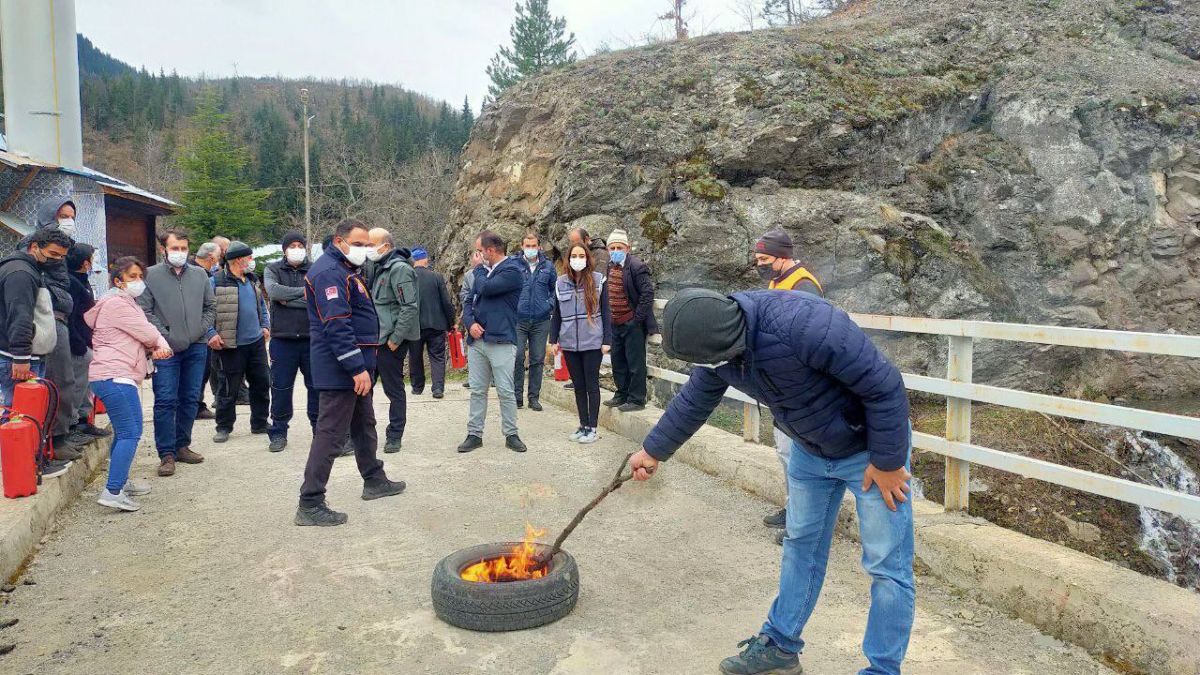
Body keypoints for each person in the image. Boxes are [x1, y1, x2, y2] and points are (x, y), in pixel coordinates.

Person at [628, 289, 914, 675]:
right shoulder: (719, 346)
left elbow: (885, 385)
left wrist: (889, 461)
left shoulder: (805, 324)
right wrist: (653, 451)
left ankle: (882, 669)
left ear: (728, 339)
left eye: (712, 360)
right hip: (810, 451)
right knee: (801, 547)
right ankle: (779, 646)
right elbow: (696, 397)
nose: (711, 367)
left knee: (886, 565)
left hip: (870, 453)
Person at [297, 218, 406, 526]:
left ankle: (374, 479)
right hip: (341, 368)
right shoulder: (330, 273)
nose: (364, 250)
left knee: (363, 424)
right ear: (339, 241)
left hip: (356, 366)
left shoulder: (346, 270)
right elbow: (337, 324)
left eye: (368, 245)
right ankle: (310, 501)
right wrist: (356, 367)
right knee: (331, 434)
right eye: (358, 244)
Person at [753, 229, 826, 544]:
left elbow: (809, 336)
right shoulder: (777, 280)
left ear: (782, 256)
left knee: (798, 455)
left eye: (764, 259)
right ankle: (793, 508)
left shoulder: (804, 285)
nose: (760, 265)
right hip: (782, 384)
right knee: (785, 452)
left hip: (801, 387)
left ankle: (805, 522)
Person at [85, 257, 173, 512]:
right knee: (130, 433)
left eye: (140, 276)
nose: (138, 282)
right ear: (117, 281)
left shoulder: (123, 302)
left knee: (127, 431)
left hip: (116, 375)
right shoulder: (117, 304)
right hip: (115, 375)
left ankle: (120, 482)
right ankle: (113, 491)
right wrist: (161, 344)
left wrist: (153, 346)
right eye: (132, 276)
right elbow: (145, 331)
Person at [140, 228, 216, 477]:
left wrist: (199, 331)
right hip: (164, 349)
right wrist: (165, 337)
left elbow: (210, 307)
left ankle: (182, 445)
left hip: (196, 346)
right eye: (175, 248)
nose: (180, 253)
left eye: (184, 248)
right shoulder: (149, 276)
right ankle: (166, 454)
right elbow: (146, 312)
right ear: (164, 249)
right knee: (165, 400)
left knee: (190, 397)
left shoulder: (200, 275)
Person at [0, 228, 73, 478]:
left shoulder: (31, 270)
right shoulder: (20, 273)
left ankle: (30, 463)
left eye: (62, 256)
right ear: (34, 247)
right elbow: (19, 316)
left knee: (28, 412)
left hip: (25, 354)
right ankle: (21, 466)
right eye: (52, 254)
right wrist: (20, 357)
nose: (57, 260)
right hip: (16, 357)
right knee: (19, 413)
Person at [29, 198, 90, 454]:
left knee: (67, 378)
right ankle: (56, 438)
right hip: (49, 320)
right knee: (57, 380)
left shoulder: (64, 248)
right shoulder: (36, 246)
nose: (68, 221)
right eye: (62, 215)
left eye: (71, 216)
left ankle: (66, 431)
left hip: (62, 320)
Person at [458, 230, 527, 453]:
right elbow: (468, 301)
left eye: (479, 251)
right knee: (478, 390)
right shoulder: (480, 274)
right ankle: (474, 434)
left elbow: (486, 288)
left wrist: (478, 270)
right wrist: (470, 324)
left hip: (501, 340)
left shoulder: (512, 271)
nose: (476, 256)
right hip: (478, 341)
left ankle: (511, 433)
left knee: (505, 390)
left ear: (490, 251)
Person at [208, 241, 271, 443]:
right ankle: (224, 426)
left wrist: (265, 325)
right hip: (230, 344)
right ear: (237, 260)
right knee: (228, 388)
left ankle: (260, 422)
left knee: (261, 383)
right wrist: (210, 333)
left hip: (256, 343)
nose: (251, 262)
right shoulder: (216, 281)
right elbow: (206, 310)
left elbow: (261, 306)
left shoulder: (251, 280)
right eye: (249, 258)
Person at [549, 245, 611, 444]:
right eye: (574, 256)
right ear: (568, 259)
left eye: (581, 256)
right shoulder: (560, 283)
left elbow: (607, 313)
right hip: (569, 343)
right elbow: (557, 314)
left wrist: (607, 340)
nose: (578, 259)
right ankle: (583, 424)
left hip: (592, 341)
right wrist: (553, 340)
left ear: (587, 258)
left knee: (591, 385)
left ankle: (593, 427)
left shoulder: (598, 281)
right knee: (578, 386)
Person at [367, 227, 420, 454]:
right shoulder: (379, 267)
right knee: (364, 390)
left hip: (390, 341)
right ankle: (360, 435)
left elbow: (409, 307)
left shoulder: (398, 269)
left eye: (371, 244)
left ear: (385, 246)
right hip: (375, 340)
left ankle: (394, 435)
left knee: (394, 390)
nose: (368, 249)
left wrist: (396, 339)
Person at [264, 231, 317, 452]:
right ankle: (278, 432)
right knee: (280, 387)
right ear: (284, 249)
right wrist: (305, 294)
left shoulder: (314, 269)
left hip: (311, 339)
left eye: (300, 245)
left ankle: (320, 431)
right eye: (292, 245)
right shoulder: (272, 269)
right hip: (282, 340)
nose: (296, 248)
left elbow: (318, 298)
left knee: (317, 388)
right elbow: (274, 292)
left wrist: (290, 299)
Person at [604, 229, 656, 413]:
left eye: (619, 247)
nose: (616, 250)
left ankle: (636, 399)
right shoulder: (610, 266)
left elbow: (647, 293)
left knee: (635, 362)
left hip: (631, 323)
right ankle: (621, 394)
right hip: (615, 322)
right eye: (612, 247)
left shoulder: (636, 266)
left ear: (627, 248)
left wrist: (636, 320)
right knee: (618, 361)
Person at [513, 231, 556, 412]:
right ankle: (517, 397)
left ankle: (534, 398)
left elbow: (555, 290)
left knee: (537, 359)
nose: (531, 249)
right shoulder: (513, 265)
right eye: (527, 246)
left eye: (533, 246)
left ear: (539, 247)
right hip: (518, 319)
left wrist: (549, 305)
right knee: (517, 357)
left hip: (541, 320)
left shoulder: (548, 266)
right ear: (522, 247)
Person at [409, 248, 454, 399]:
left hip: (414, 325)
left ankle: (417, 387)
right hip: (436, 324)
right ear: (425, 259)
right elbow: (446, 302)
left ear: (413, 260)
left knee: (415, 356)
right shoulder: (436, 277)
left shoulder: (408, 277)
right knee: (437, 357)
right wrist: (451, 322)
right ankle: (438, 388)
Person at [193, 241, 221, 420]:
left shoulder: (202, 273)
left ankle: (197, 403)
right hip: (199, 333)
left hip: (202, 330)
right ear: (211, 257)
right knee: (199, 372)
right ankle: (195, 405)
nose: (219, 261)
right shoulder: (198, 275)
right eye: (218, 257)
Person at [458, 249, 483, 390]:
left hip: (491, 317)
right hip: (473, 316)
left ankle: (492, 378)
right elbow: (464, 293)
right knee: (473, 347)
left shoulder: (495, 272)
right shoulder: (469, 275)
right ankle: (473, 377)